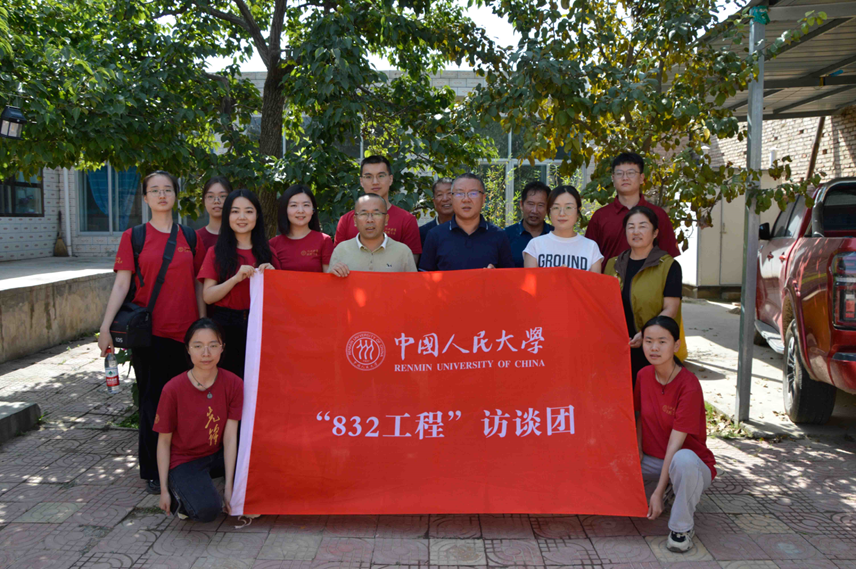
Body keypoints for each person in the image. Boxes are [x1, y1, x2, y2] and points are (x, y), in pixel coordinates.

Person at [98, 170, 206, 493]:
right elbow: (122, 284)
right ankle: (153, 470)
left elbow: (199, 285)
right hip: (151, 336)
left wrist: (203, 327)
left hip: (187, 337)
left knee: (187, 403)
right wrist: (105, 327)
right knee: (153, 404)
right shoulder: (134, 237)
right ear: (145, 198)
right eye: (154, 190)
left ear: (175, 195)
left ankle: (183, 463)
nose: (162, 195)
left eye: (167, 189)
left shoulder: (190, 237)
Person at [636, 315, 716, 553]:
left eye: (662, 341)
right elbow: (639, 416)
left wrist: (658, 492)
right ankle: (671, 490)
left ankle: (681, 528)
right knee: (614, 459)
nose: (654, 347)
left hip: (689, 464)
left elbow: (675, 443)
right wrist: (636, 451)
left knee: (683, 460)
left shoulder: (689, 385)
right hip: (652, 460)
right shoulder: (643, 375)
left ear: (676, 345)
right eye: (648, 341)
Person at [155, 318, 243, 522]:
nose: (206, 353)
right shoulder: (172, 389)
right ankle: (180, 492)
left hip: (217, 453)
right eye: (198, 346)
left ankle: (206, 486)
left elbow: (230, 437)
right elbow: (164, 441)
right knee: (208, 510)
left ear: (222, 348)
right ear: (188, 349)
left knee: (258, 466)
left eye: (213, 345)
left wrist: (229, 488)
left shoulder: (234, 384)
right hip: (186, 459)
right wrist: (163, 490)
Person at [198, 189, 277, 378]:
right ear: (227, 216)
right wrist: (235, 279)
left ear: (257, 216)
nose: (242, 217)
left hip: (261, 324)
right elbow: (208, 296)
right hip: (226, 324)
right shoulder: (215, 252)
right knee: (228, 381)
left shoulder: (269, 252)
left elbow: (280, 300)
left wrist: (274, 277)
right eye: (235, 211)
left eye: (248, 211)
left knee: (259, 380)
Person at [605, 206, 682, 387]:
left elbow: (671, 309)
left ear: (655, 233)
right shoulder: (612, 265)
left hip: (652, 348)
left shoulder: (668, 266)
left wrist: (645, 334)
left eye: (642, 226)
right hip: (616, 348)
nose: (636, 231)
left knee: (648, 398)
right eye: (631, 227)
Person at [585, 152, 680, 262]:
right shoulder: (600, 217)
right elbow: (588, 259)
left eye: (631, 173)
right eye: (619, 173)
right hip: (610, 273)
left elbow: (668, 259)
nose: (625, 178)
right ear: (613, 178)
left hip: (648, 273)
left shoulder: (659, 215)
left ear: (641, 178)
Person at [333, 155, 422, 262]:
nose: (375, 182)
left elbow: (409, 264)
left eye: (381, 176)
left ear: (390, 179)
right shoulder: (346, 220)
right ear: (361, 181)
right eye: (368, 177)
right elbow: (337, 261)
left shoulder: (407, 220)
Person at [419, 173, 514, 271]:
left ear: (483, 199)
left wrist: (497, 276)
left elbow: (509, 277)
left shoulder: (499, 235)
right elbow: (424, 278)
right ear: (452, 198)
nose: (466, 199)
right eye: (459, 193)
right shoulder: (435, 235)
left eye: (473, 193)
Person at [328, 194, 417, 276]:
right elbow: (330, 286)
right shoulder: (341, 250)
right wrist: (332, 276)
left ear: (386, 219)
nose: (370, 220)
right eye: (363, 214)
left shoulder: (403, 252)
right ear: (355, 220)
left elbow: (413, 286)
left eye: (376, 214)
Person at [523, 185, 602, 272]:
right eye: (556, 207)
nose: (562, 213)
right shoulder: (535, 245)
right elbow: (530, 280)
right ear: (549, 211)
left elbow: (595, 281)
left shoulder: (591, 247)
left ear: (578, 211)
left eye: (568, 207)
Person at [270, 184, 334, 272]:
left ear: (313, 210)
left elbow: (328, 276)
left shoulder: (324, 240)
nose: (300, 211)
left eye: (306, 205)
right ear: (285, 210)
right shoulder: (272, 244)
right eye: (294, 205)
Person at [505, 181, 553, 267]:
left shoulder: (555, 235)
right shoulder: (505, 236)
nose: (535, 211)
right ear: (521, 205)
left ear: (548, 208)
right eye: (530, 204)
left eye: (541, 205)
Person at [196, 177, 232, 253]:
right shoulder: (195, 237)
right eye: (210, 196)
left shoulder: (240, 236)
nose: (216, 201)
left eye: (222, 196)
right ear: (203, 201)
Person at [419, 178, 454, 247]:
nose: (445, 199)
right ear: (434, 202)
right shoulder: (423, 233)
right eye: (440, 194)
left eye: (450, 193)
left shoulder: (469, 229)